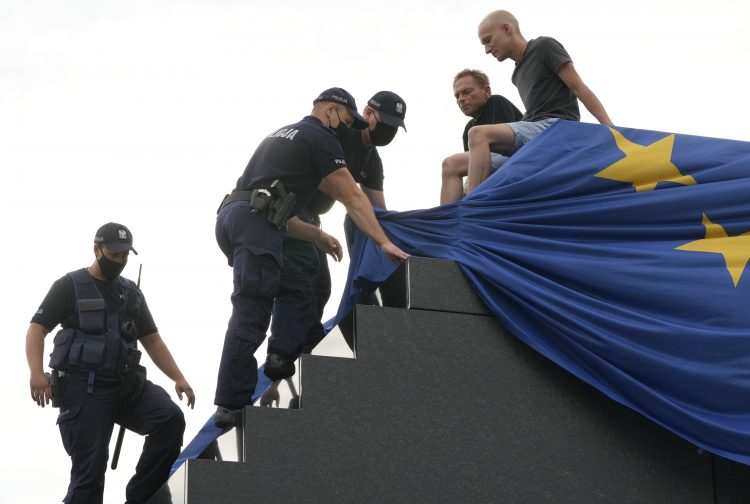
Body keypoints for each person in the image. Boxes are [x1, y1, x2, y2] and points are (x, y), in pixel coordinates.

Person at [214, 87, 409, 427]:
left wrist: (318, 235)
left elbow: (369, 204)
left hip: (268, 216)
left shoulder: (290, 131)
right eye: (348, 120)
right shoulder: (320, 137)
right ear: (331, 111)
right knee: (254, 306)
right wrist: (383, 242)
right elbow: (350, 194)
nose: (349, 127)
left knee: (307, 286)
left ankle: (284, 358)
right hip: (260, 218)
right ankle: (232, 403)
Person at [25, 222, 195, 504]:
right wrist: (36, 373)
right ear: (97, 249)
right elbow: (36, 329)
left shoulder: (131, 293)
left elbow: (152, 340)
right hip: (84, 390)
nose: (120, 261)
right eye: (114, 254)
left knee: (170, 419)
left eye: (125, 255)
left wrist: (179, 377)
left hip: (126, 387)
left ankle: (140, 497)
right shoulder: (70, 285)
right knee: (89, 478)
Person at [261, 90, 409, 383]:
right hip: (291, 207)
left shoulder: (372, 160)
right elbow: (343, 190)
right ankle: (281, 352)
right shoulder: (340, 135)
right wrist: (353, 203)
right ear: (367, 113)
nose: (388, 131)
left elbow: (378, 209)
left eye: (395, 127)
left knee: (321, 285)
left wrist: (392, 242)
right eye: (385, 122)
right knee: (303, 276)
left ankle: (308, 345)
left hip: (312, 217)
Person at [447, 10, 613, 201]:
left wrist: (609, 128)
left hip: (557, 128)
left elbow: (578, 87)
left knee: (478, 134)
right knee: (452, 164)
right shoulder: (516, 75)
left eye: (488, 40)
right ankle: (446, 226)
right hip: (535, 136)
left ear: (507, 29)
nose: (486, 49)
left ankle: (471, 210)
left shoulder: (544, 46)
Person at [440, 69, 523, 204]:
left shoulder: (496, 103)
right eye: (457, 96)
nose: (461, 99)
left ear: (487, 91)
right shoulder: (469, 129)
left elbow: (503, 151)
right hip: (493, 171)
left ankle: (464, 210)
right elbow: (470, 166)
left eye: (467, 92)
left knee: (451, 165)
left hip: (517, 161)